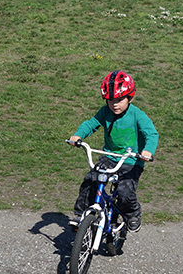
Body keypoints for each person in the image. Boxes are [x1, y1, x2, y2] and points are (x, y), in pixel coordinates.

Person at [68, 71, 159, 233]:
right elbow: (91, 123)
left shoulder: (137, 115)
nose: (114, 104)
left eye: (119, 100)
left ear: (130, 98)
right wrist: (78, 135)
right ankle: (81, 214)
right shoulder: (105, 112)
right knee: (90, 180)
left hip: (131, 161)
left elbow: (151, 134)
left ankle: (132, 214)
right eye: (110, 100)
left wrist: (147, 151)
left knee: (125, 191)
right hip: (110, 157)